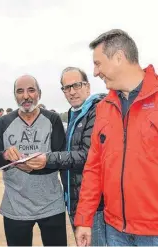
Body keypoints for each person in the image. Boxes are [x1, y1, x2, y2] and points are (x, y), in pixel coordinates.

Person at [74, 29, 158, 246]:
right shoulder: (104, 108)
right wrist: (84, 219)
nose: (95, 72)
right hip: (115, 231)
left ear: (119, 58)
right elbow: (94, 168)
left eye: (98, 64)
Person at [27, 67, 107, 245]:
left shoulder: (98, 110)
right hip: (75, 200)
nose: (71, 92)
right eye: (66, 88)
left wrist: (48, 158)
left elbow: (88, 156)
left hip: (95, 205)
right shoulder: (74, 113)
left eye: (76, 85)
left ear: (87, 86)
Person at [0, 75, 67, 246]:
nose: (26, 96)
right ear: (15, 95)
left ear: (39, 93)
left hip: (51, 205)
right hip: (16, 207)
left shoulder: (53, 120)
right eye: (20, 91)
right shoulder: (3, 122)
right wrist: (5, 156)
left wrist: (43, 164)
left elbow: (62, 158)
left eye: (31, 90)